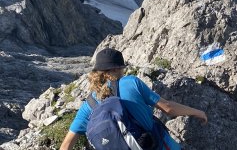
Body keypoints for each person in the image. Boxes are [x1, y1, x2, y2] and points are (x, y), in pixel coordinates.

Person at [60, 48, 208, 150]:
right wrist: (197, 112)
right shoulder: (131, 82)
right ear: (118, 68)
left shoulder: (88, 105)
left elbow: (66, 145)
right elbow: (168, 108)